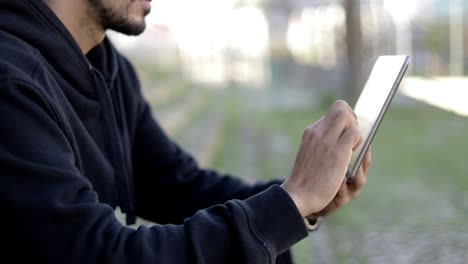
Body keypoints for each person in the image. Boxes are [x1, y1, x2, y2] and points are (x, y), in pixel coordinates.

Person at [0, 0, 370, 263]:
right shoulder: (11, 84)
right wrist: (292, 200)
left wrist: (302, 199)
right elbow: (98, 253)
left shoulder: (106, 68)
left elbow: (178, 185)